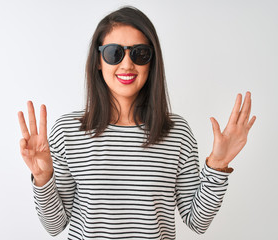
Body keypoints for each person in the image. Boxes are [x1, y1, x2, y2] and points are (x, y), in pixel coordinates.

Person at [17, 6, 256, 240]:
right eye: (114, 53)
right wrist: (43, 177)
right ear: (98, 61)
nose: (127, 64)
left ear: (152, 62)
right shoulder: (68, 131)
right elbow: (55, 226)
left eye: (140, 53)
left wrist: (218, 164)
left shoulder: (176, 133)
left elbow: (197, 221)